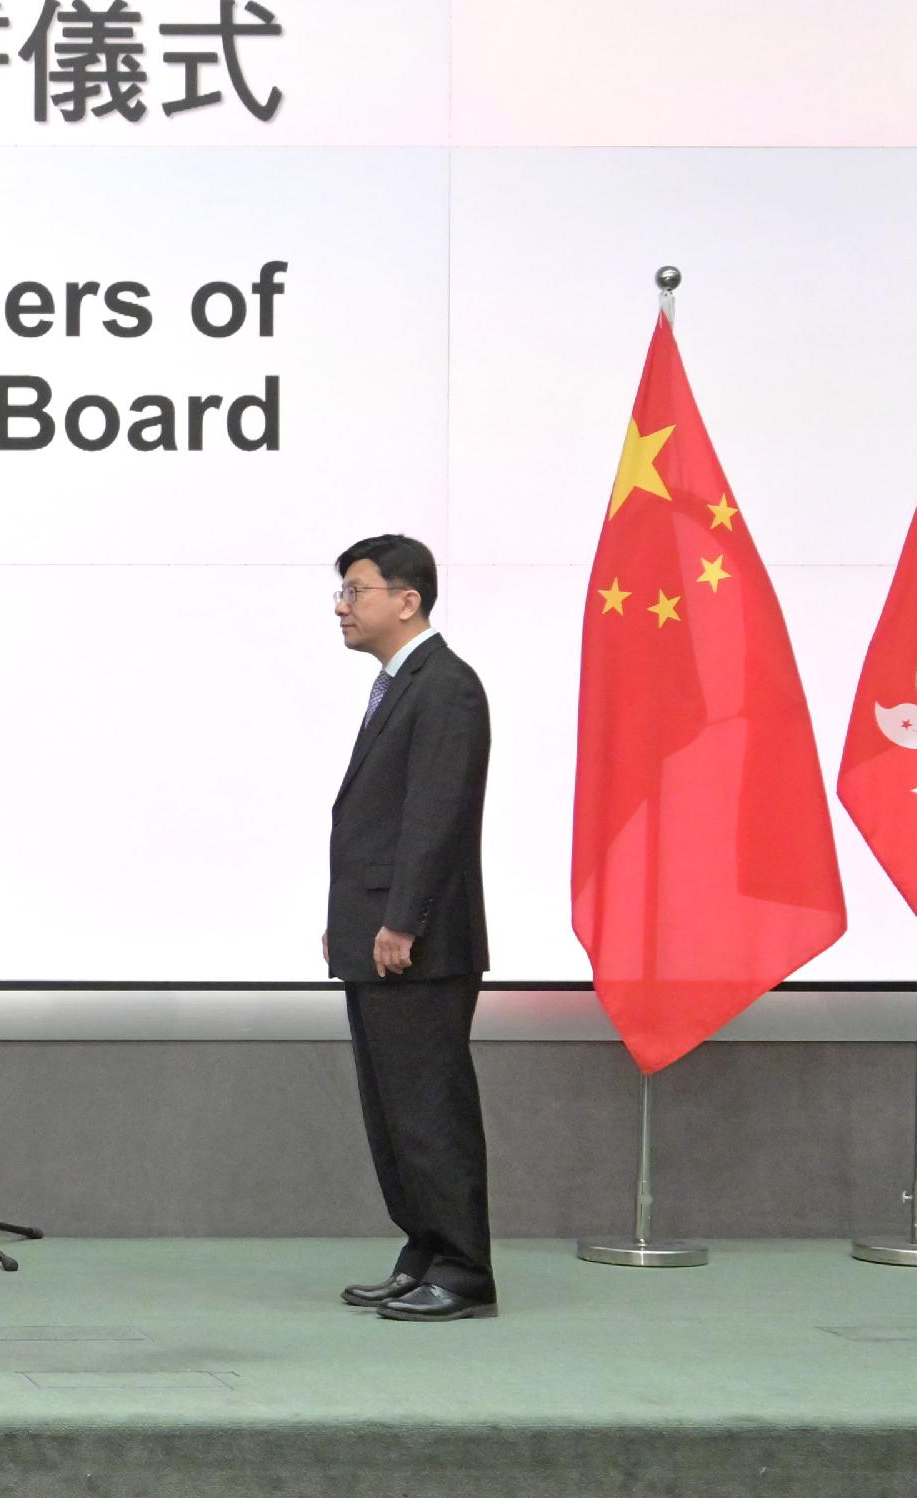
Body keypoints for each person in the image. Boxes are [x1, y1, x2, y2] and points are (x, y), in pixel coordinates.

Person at [324, 533, 497, 1323]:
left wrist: (401, 922)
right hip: (381, 935)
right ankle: (422, 1250)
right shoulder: (399, 687)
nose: (342, 607)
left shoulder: (446, 686)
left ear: (408, 599)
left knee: (429, 1109)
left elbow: (436, 816)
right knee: (391, 1111)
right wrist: (352, 920)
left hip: (419, 945)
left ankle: (463, 1271)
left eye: (355, 591)